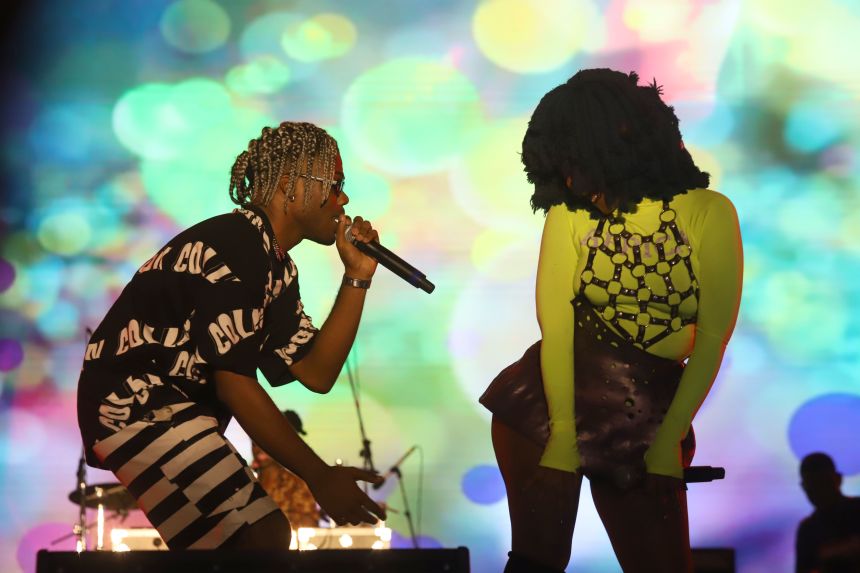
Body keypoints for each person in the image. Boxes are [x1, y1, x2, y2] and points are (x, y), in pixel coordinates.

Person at [76, 121, 386, 551]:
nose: (343, 199)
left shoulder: (274, 265)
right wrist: (319, 476)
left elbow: (317, 372)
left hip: (167, 408)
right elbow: (235, 384)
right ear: (292, 185)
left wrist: (357, 277)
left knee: (252, 537)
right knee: (257, 535)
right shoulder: (237, 244)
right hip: (136, 403)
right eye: (335, 184)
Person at [480, 69, 743, 572]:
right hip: (542, 403)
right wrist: (561, 435)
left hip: (647, 409)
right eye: (561, 168)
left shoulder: (709, 213)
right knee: (537, 563)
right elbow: (554, 331)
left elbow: (713, 337)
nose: (572, 181)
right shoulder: (571, 214)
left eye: (575, 162)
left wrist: (669, 438)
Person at [251, 410, 321, 529]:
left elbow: (309, 525)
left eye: (265, 442)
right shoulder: (246, 480)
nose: (259, 448)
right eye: (255, 443)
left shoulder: (296, 484)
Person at [796, 452, 860, 573]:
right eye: (813, 486)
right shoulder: (807, 530)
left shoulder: (808, 529)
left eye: (822, 484)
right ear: (838, 479)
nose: (819, 492)